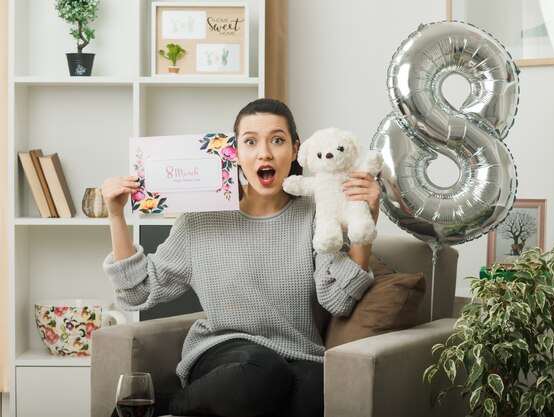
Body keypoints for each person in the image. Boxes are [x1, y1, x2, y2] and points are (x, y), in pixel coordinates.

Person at [101, 98, 381, 417]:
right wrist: (115, 216)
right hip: (225, 355)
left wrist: (366, 217)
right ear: (234, 153)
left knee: (320, 385)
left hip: (298, 356)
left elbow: (338, 301)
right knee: (264, 368)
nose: (264, 152)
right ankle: (159, 405)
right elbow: (139, 290)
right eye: (250, 142)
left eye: (277, 140)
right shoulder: (200, 220)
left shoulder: (317, 215)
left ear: (295, 150)